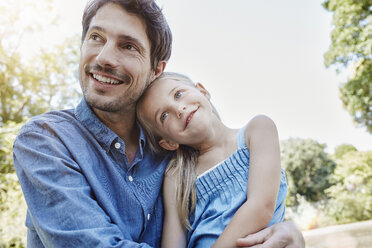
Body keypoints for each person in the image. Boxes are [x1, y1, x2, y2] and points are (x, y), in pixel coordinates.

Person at [12, 0, 304, 247]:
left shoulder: (176, 153)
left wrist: (290, 233)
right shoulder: (46, 141)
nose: (103, 58)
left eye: (128, 46)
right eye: (96, 37)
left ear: (156, 69)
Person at [136, 72, 287, 248]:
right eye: (164, 116)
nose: (178, 109)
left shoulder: (259, 129)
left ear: (203, 91)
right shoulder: (177, 176)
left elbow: (261, 207)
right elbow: (173, 243)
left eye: (178, 94)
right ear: (169, 143)